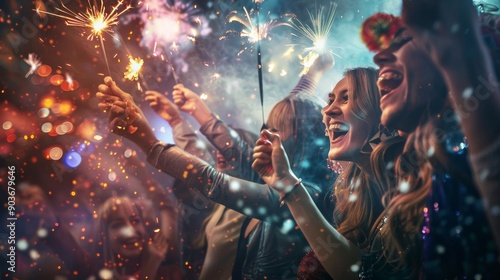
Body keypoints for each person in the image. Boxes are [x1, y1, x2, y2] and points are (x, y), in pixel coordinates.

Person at [96, 56, 332, 278]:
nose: (267, 135)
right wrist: (194, 110)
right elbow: (234, 150)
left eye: (278, 130)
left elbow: (215, 179)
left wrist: (150, 144)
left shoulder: (303, 196)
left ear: (303, 142)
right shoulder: (271, 179)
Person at [361, 1, 500, 278]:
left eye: (405, 39)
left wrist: (461, 58)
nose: (378, 58)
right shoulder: (423, 173)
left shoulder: (465, 159)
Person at [252, 67, 420, 280]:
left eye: (346, 98)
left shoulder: (419, 191)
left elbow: (360, 275)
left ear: (383, 113)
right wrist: (286, 182)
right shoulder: (350, 196)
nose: (327, 111)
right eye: (329, 101)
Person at [145, 90, 257, 280]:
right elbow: (198, 159)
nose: (219, 153)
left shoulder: (254, 204)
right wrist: (175, 120)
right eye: (217, 148)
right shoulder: (224, 198)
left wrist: (197, 110)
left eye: (227, 149)